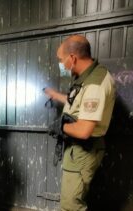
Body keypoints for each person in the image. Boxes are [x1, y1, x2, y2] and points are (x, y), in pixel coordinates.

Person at [44, 35, 116, 211]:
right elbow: (77, 102)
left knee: (71, 205)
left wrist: (60, 127)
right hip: (79, 150)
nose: (61, 64)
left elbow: (84, 130)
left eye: (61, 60)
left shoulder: (94, 85)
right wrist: (55, 95)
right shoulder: (88, 75)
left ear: (72, 58)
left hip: (84, 150)